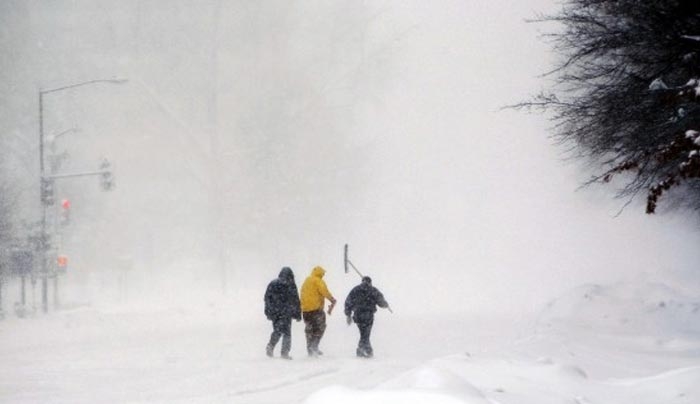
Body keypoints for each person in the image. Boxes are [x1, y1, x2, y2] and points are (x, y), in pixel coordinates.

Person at [344, 276, 389, 358]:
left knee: (363, 333)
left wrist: (348, 314)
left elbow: (348, 302)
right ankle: (365, 350)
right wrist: (386, 305)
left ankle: (364, 350)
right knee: (366, 333)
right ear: (370, 282)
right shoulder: (373, 290)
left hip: (357, 315)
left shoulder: (355, 289)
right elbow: (381, 302)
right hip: (368, 315)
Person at [264, 266, 301, 359]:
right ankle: (284, 353)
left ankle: (271, 346)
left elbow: (267, 299)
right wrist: (297, 314)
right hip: (286, 312)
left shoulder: (273, 283)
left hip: (275, 312)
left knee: (277, 330)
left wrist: (268, 312)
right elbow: (295, 300)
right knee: (287, 333)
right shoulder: (291, 284)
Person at [300, 266, 337, 357]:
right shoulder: (318, 281)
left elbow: (302, 293)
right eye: (323, 273)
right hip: (316, 310)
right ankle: (314, 346)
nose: (323, 275)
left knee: (309, 329)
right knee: (320, 327)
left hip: (305, 310)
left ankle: (310, 349)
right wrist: (331, 299)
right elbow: (324, 291)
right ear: (320, 273)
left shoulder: (306, 281)